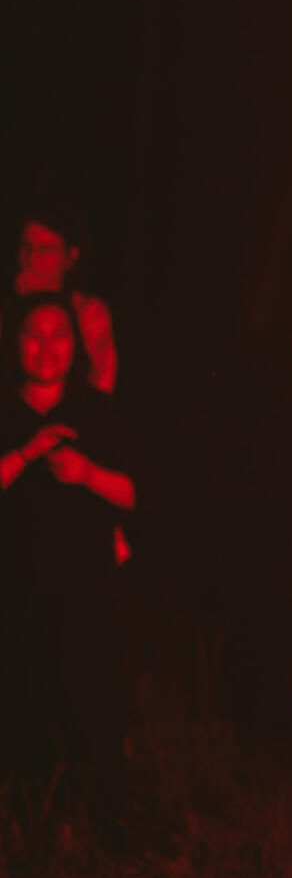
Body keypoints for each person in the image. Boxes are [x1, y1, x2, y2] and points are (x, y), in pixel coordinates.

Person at [0, 296, 138, 841]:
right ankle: (30, 827)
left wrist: (87, 474)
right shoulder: (6, 411)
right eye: (34, 335)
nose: (46, 347)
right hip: (15, 592)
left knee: (94, 705)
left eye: (59, 335)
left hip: (87, 592)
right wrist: (25, 453)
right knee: (22, 707)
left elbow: (135, 494)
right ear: (15, 342)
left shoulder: (96, 411)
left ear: (76, 345)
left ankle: (109, 826)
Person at [6, 212, 118, 394]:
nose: (32, 259)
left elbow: (103, 377)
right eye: (26, 248)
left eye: (45, 250)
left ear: (70, 256)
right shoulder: (7, 307)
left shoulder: (87, 311)